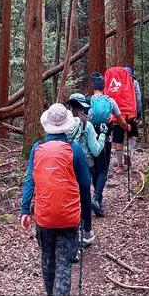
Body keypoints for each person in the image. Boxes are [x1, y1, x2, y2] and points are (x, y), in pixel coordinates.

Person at [20, 103, 91, 296]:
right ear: (67, 125)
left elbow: (30, 180)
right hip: (69, 216)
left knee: (47, 259)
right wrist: (85, 211)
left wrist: (25, 210)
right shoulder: (74, 149)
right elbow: (85, 184)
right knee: (64, 262)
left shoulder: (37, 148)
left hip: (44, 216)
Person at [66, 92, 107, 244]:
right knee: (84, 198)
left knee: (69, 199)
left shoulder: (63, 125)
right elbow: (96, 150)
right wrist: (103, 134)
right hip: (84, 167)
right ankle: (86, 231)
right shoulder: (87, 125)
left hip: (66, 167)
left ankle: (70, 235)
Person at [88, 72, 128, 216]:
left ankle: (96, 197)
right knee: (103, 170)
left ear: (93, 87)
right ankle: (97, 199)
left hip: (90, 141)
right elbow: (121, 121)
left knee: (95, 168)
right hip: (105, 141)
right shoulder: (110, 101)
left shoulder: (88, 102)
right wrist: (126, 127)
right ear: (104, 87)